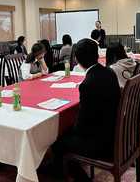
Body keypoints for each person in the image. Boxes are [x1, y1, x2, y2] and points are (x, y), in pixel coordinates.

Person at [52, 38, 121, 181]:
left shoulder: (88, 83)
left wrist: (68, 127)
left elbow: (82, 127)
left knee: (57, 142)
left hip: (101, 143)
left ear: (77, 59)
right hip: (114, 131)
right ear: (96, 54)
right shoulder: (109, 72)